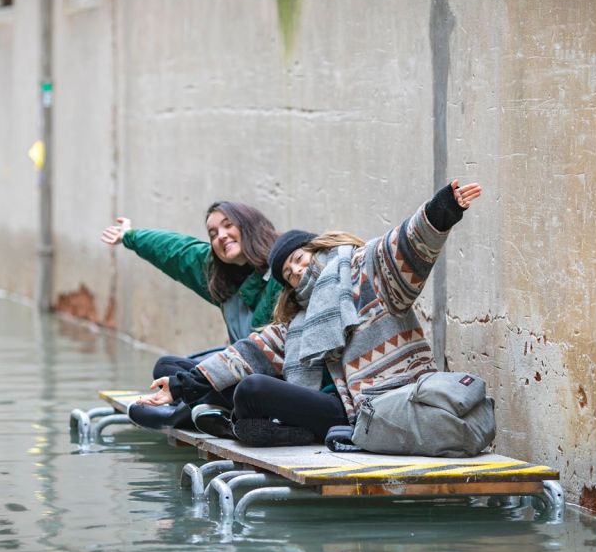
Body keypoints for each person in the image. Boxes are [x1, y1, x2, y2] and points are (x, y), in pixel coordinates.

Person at [137, 180, 483, 446]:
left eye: (300, 260)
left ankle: (235, 422)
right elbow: (248, 352)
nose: (298, 273)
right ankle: (243, 421)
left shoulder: (366, 273)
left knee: (250, 393)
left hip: (382, 404)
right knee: (248, 388)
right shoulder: (298, 318)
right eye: (289, 274)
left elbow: (404, 246)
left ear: (318, 249)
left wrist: (443, 209)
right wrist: (181, 386)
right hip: (334, 409)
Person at [100, 201, 284, 430]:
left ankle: (185, 413)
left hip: (273, 379)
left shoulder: (282, 266)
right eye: (213, 233)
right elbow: (178, 253)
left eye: (228, 226)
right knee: (167, 367)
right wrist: (131, 236)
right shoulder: (221, 276)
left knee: (244, 387)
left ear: (250, 226)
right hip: (239, 371)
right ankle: (203, 409)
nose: (221, 236)